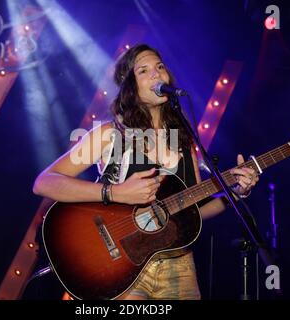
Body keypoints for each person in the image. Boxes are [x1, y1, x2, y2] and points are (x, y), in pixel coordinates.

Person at [33, 44, 259, 300]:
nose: (156, 74)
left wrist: (235, 194)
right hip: (122, 264)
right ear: (129, 86)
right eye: (144, 70)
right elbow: (45, 182)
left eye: (160, 67)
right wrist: (115, 192)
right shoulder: (111, 134)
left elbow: (194, 211)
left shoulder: (183, 141)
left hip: (180, 266)